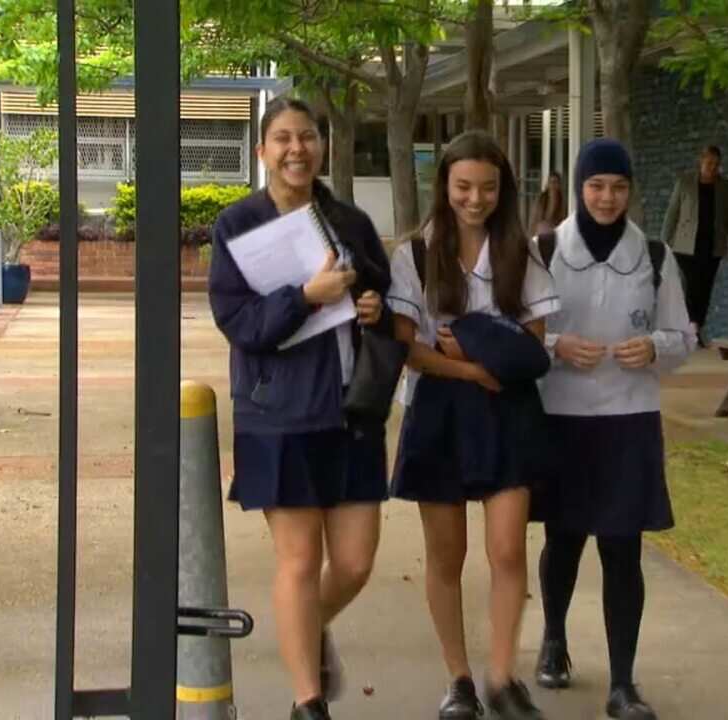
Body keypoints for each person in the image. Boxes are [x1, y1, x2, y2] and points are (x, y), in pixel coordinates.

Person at [208, 96, 393, 720]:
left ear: (321, 146)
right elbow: (240, 323)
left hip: (351, 409)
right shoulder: (238, 225)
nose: (297, 149)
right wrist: (306, 297)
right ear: (262, 151)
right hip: (277, 412)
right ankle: (306, 701)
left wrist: (372, 309)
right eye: (283, 138)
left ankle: (305, 629)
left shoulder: (349, 221)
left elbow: (381, 294)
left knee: (356, 562)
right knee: (298, 559)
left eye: (308, 137)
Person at [387, 130, 559, 720]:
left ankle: (502, 675)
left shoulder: (523, 251)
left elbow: (535, 344)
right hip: (439, 410)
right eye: (463, 186)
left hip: (509, 412)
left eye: (487, 187)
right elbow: (408, 349)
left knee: (508, 549)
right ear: (445, 186)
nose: (475, 198)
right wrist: (475, 371)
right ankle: (458, 678)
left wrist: (484, 363)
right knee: (446, 555)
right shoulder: (413, 254)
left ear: (503, 188)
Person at [530, 138, 695, 720]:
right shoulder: (543, 249)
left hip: (629, 420)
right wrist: (555, 345)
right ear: (579, 187)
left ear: (631, 192)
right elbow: (514, 331)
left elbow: (683, 337)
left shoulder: (654, 256)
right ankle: (554, 639)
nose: (606, 197)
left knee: (623, 550)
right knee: (564, 539)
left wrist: (654, 346)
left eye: (618, 187)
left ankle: (623, 683)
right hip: (561, 419)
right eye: (597, 185)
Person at [661, 144, 728, 347]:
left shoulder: (725, 186)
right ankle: (691, 327)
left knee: (705, 288)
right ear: (701, 161)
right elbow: (672, 213)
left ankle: (695, 327)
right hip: (685, 245)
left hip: (712, 246)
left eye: (716, 164)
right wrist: (664, 241)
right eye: (709, 163)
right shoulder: (685, 182)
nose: (712, 167)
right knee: (690, 285)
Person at [528, 171, 567, 236]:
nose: (553, 185)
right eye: (551, 182)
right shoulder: (541, 199)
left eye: (555, 182)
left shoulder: (562, 202)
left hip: (554, 235)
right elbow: (534, 218)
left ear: (559, 185)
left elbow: (563, 222)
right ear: (547, 184)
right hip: (540, 233)